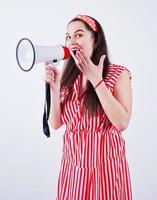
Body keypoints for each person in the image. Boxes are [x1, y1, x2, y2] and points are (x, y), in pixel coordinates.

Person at [44, 14, 133, 200]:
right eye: (68, 37)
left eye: (78, 35)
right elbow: (56, 123)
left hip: (105, 167)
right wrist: (54, 88)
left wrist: (96, 79)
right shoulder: (68, 78)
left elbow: (122, 122)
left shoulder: (119, 73)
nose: (71, 41)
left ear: (95, 39)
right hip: (73, 169)